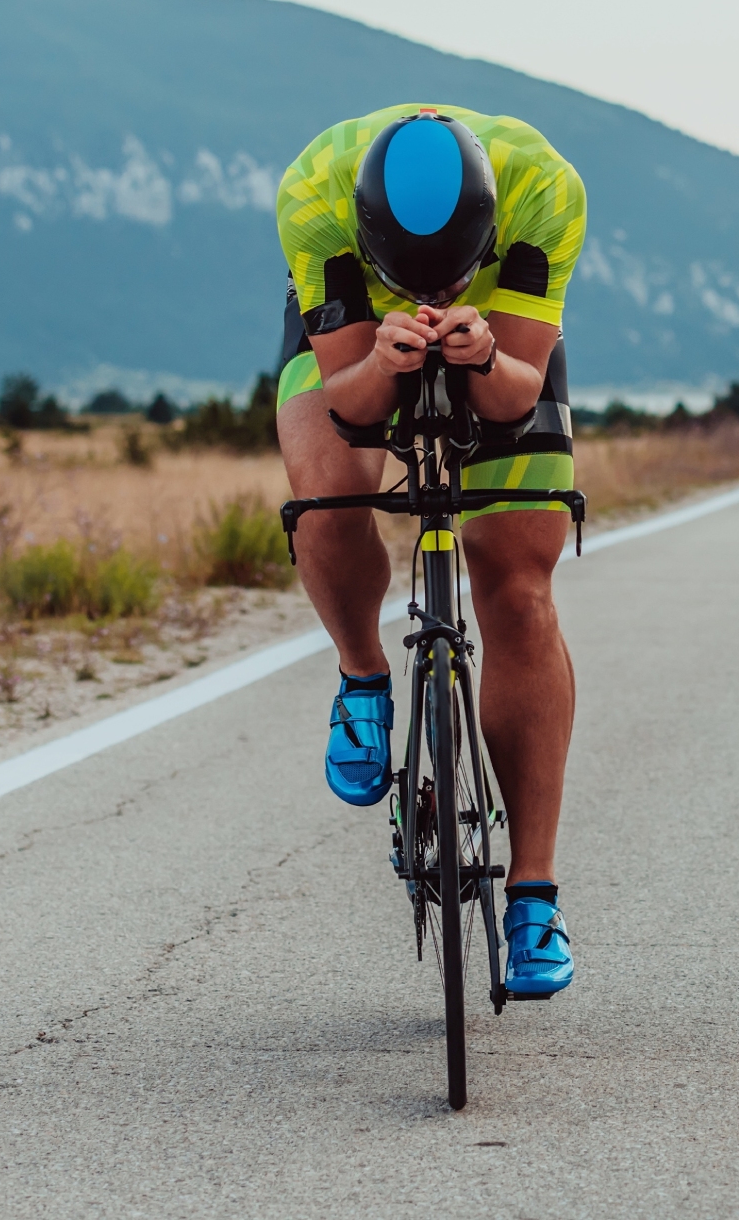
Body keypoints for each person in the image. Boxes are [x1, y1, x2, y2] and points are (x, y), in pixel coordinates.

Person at [272, 105, 584, 997]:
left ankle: (533, 898)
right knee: (327, 501)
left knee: (518, 588)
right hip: (355, 340)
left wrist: (480, 356)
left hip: (501, 336)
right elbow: (349, 405)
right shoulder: (314, 194)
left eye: (450, 278)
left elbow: (514, 395)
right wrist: (381, 360)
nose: (435, 296)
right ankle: (363, 674)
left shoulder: (544, 189)